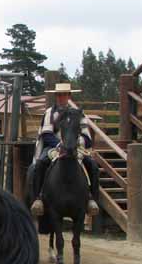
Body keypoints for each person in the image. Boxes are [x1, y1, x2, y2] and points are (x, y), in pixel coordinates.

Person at [30, 83, 99, 217]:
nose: (61, 97)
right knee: (39, 165)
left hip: (75, 147)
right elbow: (46, 134)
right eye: (59, 95)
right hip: (53, 147)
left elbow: (86, 136)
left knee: (93, 166)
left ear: (69, 96)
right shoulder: (50, 112)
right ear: (56, 96)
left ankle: (92, 200)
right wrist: (61, 144)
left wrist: (73, 143)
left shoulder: (79, 113)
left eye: (64, 94)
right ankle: (38, 198)